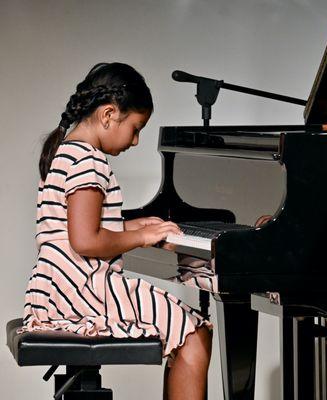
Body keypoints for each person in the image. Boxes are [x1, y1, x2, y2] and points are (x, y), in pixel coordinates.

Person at [20, 62, 212, 400]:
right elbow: (86, 241)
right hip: (83, 291)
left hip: (56, 291)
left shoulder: (65, 151)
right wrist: (139, 237)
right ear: (109, 114)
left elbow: (76, 230)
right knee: (193, 333)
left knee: (185, 328)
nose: (136, 141)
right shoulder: (88, 161)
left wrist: (129, 225)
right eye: (136, 128)